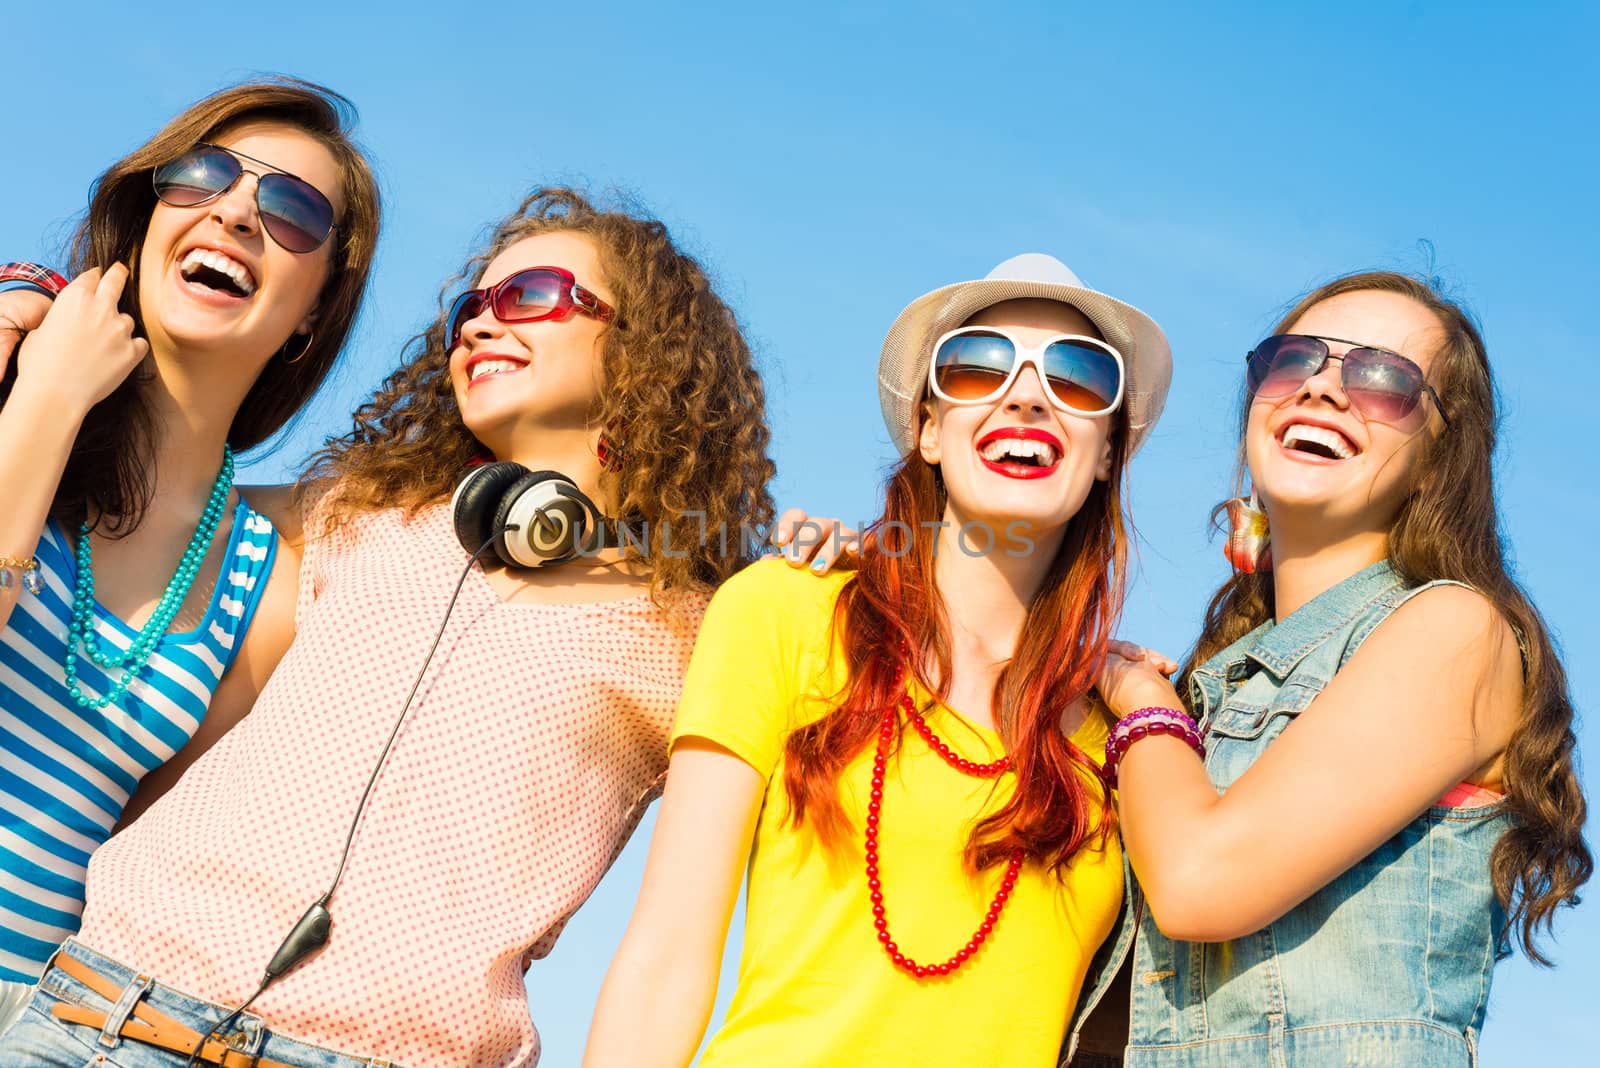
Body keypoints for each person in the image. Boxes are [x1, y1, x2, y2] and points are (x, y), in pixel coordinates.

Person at [0, 188, 778, 1067]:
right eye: (470, 308)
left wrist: (826, 578)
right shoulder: (355, 516)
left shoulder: (701, 634)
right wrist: (30, 298)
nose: (480, 327)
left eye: (528, 297)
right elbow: (159, 468)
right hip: (96, 1020)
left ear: (646, 353)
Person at [585, 254, 1173, 1067]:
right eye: (978, 367)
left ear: (1108, 452)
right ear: (930, 428)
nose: (1029, 394)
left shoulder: (1128, 733)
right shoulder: (785, 611)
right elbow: (666, 956)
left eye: (1077, 378)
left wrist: (1150, 709)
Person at [1093, 271, 1591, 1065]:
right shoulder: (1208, 696)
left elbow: (1199, 882)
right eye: (1293, 362)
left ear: (1439, 457)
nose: (1323, 389)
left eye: (1383, 378)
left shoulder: (1458, 631)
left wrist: (1137, 698)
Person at [0, 78, 380, 1030]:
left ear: (312, 312)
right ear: (144, 218)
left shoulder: (265, 575)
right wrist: (46, 396)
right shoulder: (10, 371)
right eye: (203, 175)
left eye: (294, 210)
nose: (240, 209)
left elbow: (143, 881)